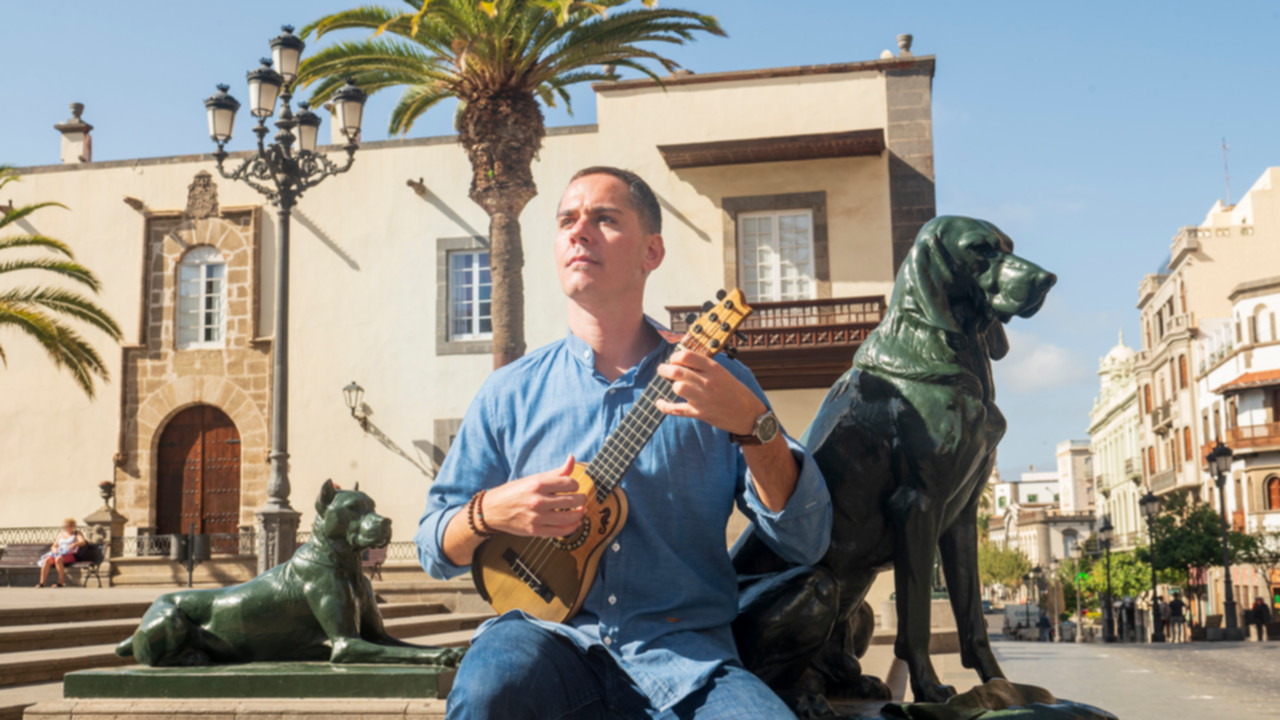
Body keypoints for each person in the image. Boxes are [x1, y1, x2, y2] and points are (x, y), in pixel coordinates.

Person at [416, 166, 833, 720]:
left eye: (604, 219)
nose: (579, 230)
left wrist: (753, 426)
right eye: (567, 219)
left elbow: (807, 538)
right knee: (491, 685)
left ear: (652, 252)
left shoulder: (718, 383)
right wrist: (494, 509)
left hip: (689, 662)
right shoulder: (509, 392)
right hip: (543, 643)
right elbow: (431, 547)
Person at [36, 518, 86, 587]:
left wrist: (74, 544)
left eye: (67, 526)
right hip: (59, 552)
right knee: (46, 560)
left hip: (70, 554)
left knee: (58, 559)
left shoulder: (77, 533)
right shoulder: (61, 534)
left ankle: (61, 582)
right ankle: (42, 582)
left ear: (72, 526)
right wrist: (54, 549)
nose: (66, 528)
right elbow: (54, 545)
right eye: (64, 526)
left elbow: (82, 542)